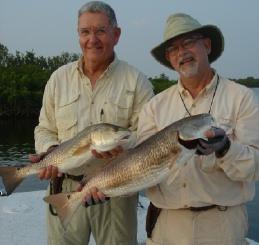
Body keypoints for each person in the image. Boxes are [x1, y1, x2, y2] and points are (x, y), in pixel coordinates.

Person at [31, 1, 154, 245]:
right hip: (64, 188)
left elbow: (148, 137)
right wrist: (49, 150)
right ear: (78, 35)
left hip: (115, 190)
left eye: (100, 31)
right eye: (85, 32)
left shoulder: (137, 81)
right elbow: (44, 128)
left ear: (116, 35)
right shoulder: (58, 79)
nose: (92, 39)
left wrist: (125, 148)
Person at [136, 13, 259, 245]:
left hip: (222, 225)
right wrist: (104, 184)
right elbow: (142, 166)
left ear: (207, 45)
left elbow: (256, 166)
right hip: (166, 224)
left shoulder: (241, 97)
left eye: (188, 42)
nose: (181, 52)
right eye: (173, 49)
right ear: (170, 59)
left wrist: (225, 148)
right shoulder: (154, 107)